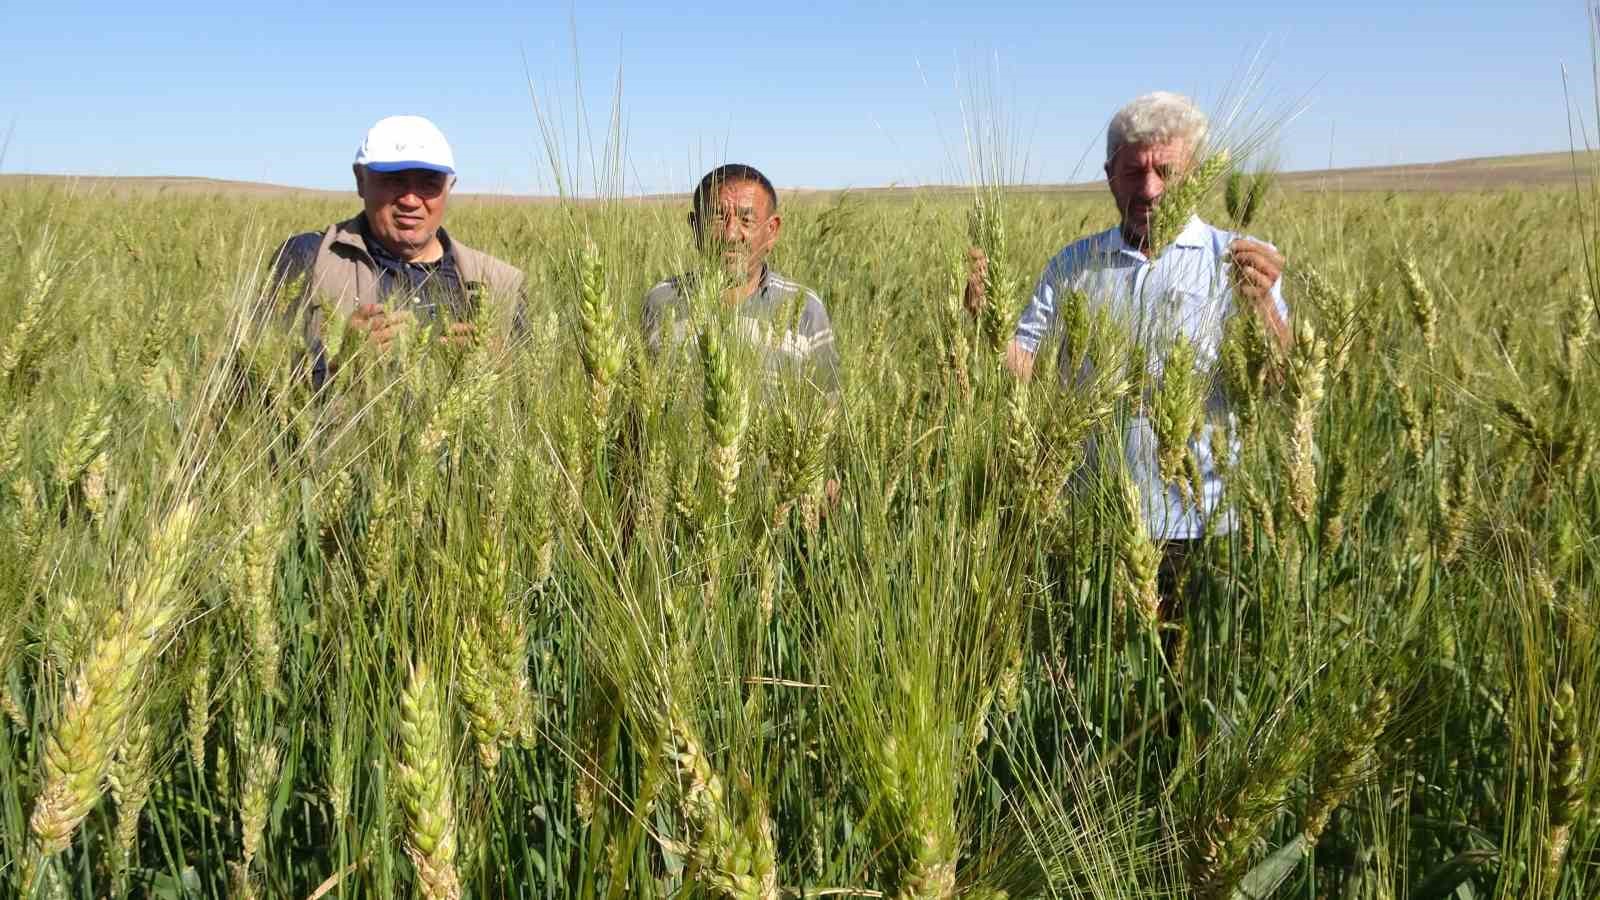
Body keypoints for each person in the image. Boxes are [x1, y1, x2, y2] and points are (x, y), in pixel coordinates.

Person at [976, 91, 1291, 614]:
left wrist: (1264, 311)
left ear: (1198, 174)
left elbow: (1283, 385)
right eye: (1133, 172)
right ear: (1109, 175)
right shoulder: (1075, 264)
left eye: (1166, 171)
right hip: (1094, 517)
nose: (1150, 189)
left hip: (1204, 524)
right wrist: (985, 322)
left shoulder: (1236, 260)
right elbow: (1025, 366)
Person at [268, 115, 526, 387]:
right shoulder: (308, 257)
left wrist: (502, 368)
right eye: (394, 179)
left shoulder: (501, 283)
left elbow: (533, 398)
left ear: (449, 187)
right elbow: (247, 384)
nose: (411, 200)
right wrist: (340, 364)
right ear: (360, 180)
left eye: (429, 183)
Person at [641, 164, 840, 396]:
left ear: (772, 231)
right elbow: (640, 407)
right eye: (717, 218)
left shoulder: (806, 308)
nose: (730, 235)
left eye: (747, 220)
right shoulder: (661, 301)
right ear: (695, 228)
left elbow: (828, 410)